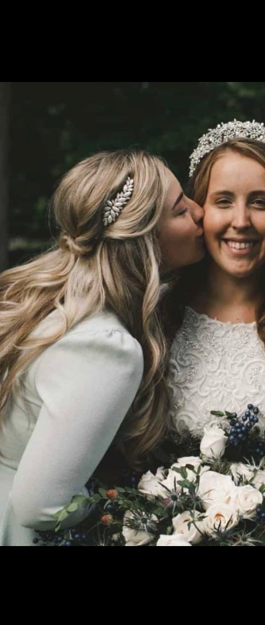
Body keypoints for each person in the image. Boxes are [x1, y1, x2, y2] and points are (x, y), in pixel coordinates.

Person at [0, 149, 204, 546]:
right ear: (145, 238)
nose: (200, 212)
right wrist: (118, 500)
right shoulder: (105, 348)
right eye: (181, 210)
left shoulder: (50, 301)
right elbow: (39, 508)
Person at [160, 120, 265, 446]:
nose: (241, 221)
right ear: (198, 208)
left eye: (259, 202)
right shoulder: (155, 314)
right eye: (223, 201)